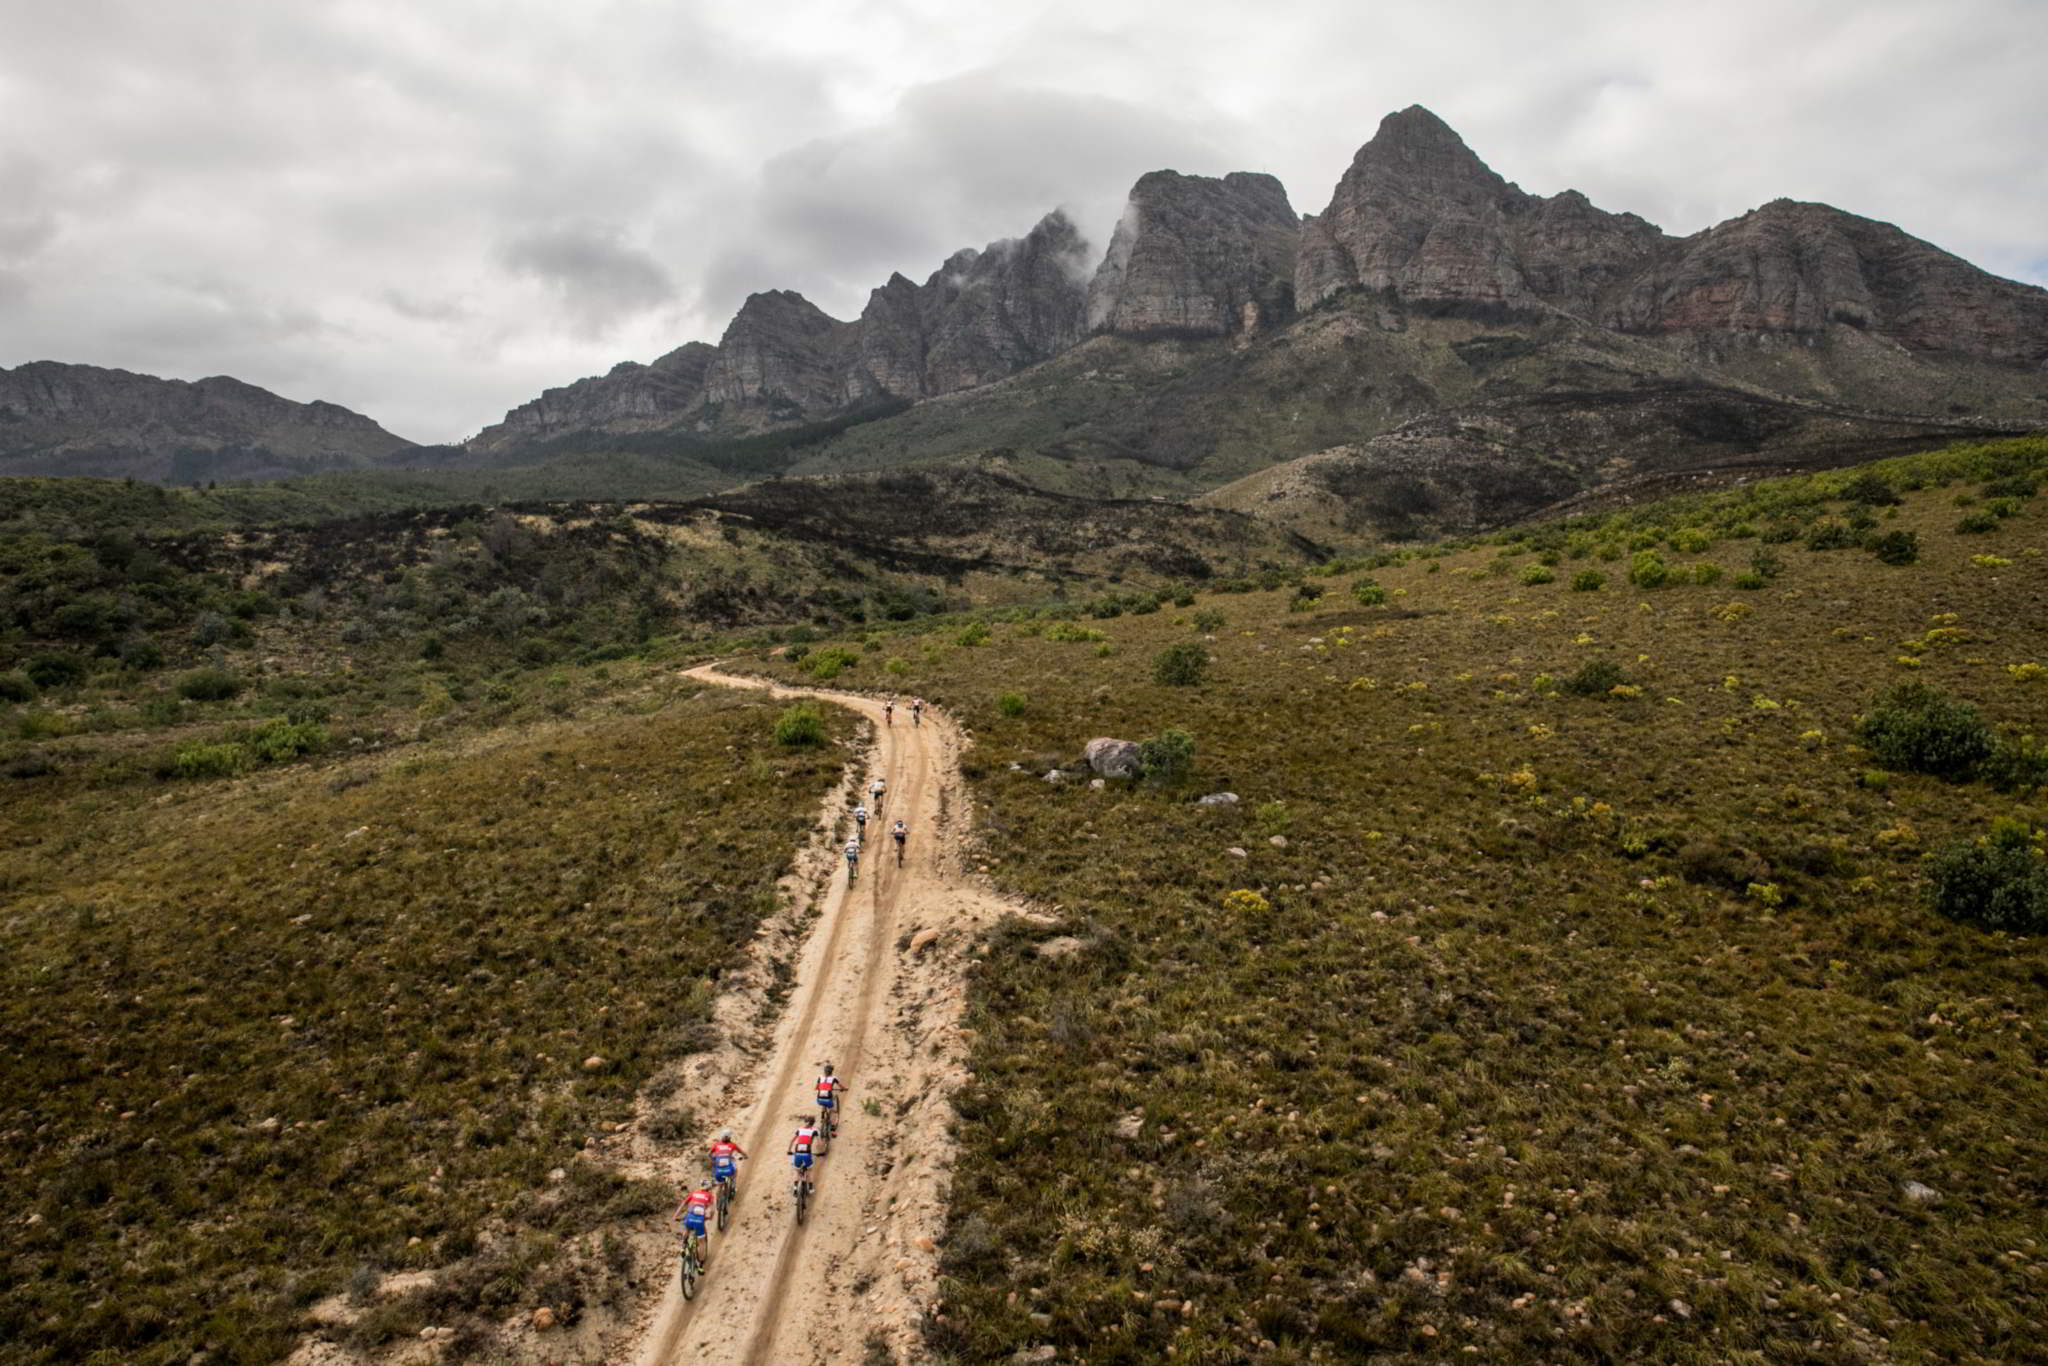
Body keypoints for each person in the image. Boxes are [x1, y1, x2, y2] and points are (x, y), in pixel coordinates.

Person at [678, 1180, 716, 1262]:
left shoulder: (694, 1193)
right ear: (709, 1188)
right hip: (699, 1220)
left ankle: (682, 1248)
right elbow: (712, 1210)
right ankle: (701, 1265)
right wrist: (710, 1217)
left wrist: (675, 1216)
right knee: (702, 1242)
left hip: (690, 1217)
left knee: (687, 1229)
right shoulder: (709, 1195)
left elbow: (683, 1204)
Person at [788, 1115, 821, 1196]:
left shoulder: (799, 1129)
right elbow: (819, 1143)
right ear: (813, 1123)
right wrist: (821, 1151)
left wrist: (789, 1150)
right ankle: (810, 1187)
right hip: (807, 1153)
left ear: (806, 1122)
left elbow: (792, 1140)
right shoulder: (815, 1130)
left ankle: (795, 1187)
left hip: (797, 1152)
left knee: (797, 1171)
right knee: (809, 1170)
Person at [815, 1064, 846, 1132]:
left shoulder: (820, 1077)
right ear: (831, 1072)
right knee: (831, 1107)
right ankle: (832, 1123)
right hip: (828, 1098)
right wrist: (844, 1089)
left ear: (824, 1071)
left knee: (823, 1102)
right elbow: (840, 1086)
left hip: (819, 1099)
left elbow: (816, 1087)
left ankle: (822, 1117)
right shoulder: (834, 1078)